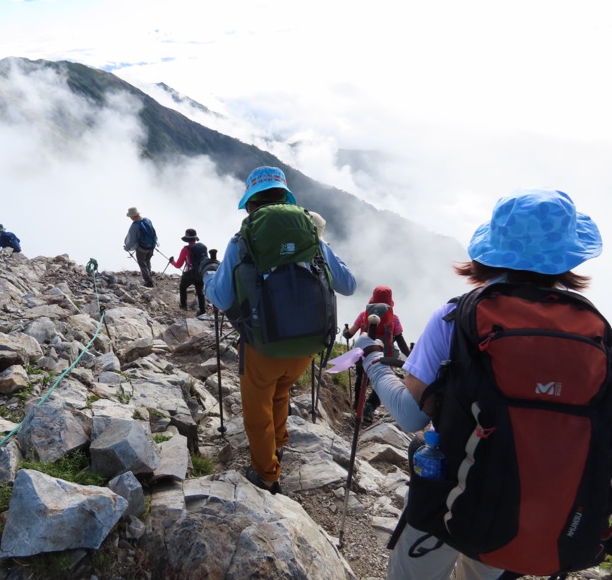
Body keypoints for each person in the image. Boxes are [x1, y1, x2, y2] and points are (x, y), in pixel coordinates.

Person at [353, 187, 603, 580]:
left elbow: (409, 416)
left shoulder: (456, 316)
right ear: (568, 257)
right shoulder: (593, 332)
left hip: (448, 499)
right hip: (532, 511)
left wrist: (372, 361)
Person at [202, 166, 357, 494]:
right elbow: (348, 285)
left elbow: (220, 296)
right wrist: (321, 245)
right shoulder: (311, 234)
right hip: (307, 346)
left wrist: (206, 279)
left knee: (257, 413)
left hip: (264, 346)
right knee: (281, 392)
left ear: (249, 205)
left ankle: (267, 475)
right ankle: (280, 444)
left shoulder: (242, 239)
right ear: (285, 198)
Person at [343, 285, 411, 424]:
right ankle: (369, 407)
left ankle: (358, 407)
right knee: (381, 383)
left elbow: (349, 335)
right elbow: (401, 343)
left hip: (364, 356)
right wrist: (411, 358)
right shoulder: (394, 319)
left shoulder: (363, 315)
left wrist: (345, 332)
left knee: (361, 378)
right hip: (385, 358)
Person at [168, 229, 207, 316]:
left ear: (187, 239)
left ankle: (183, 305)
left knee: (182, 286)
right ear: (195, 238)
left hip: (189, 273)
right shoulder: (201, 248)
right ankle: (202, 310)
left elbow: (178, 265)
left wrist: (172, 262)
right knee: (200, 292)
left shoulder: (185, 249)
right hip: (200, 273)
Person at [123, 207, 156, 288]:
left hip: (142, 248)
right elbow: (154, 232)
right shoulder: (147, 220)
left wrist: (127, 248)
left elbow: (132, 239)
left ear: (133, 216)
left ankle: (148, 282)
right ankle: (149, 278)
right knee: (147, 261)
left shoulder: (135, 225)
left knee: (142, 263)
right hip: (151, 247)